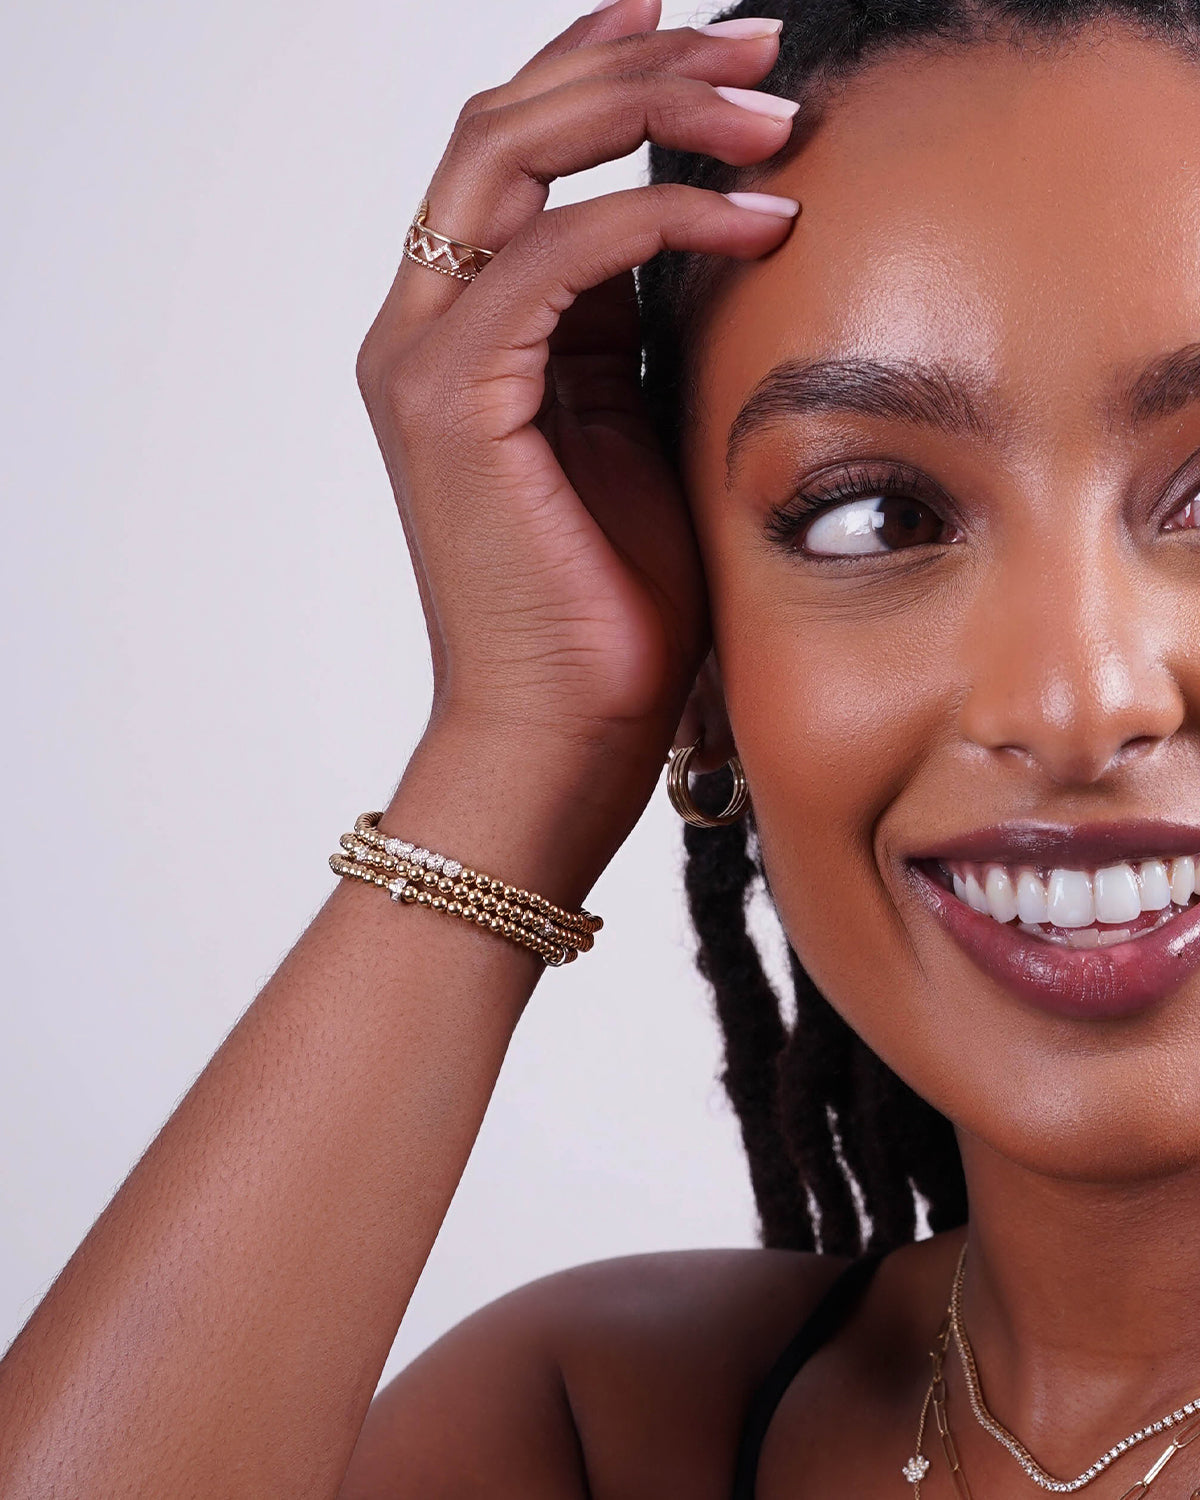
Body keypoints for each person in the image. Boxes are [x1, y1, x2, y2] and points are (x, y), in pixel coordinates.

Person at [5, 0, 1200, 1493]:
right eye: (874, 516)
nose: (1082, 699)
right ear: (710, 670)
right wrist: (520, 738)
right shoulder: (617, 1430)